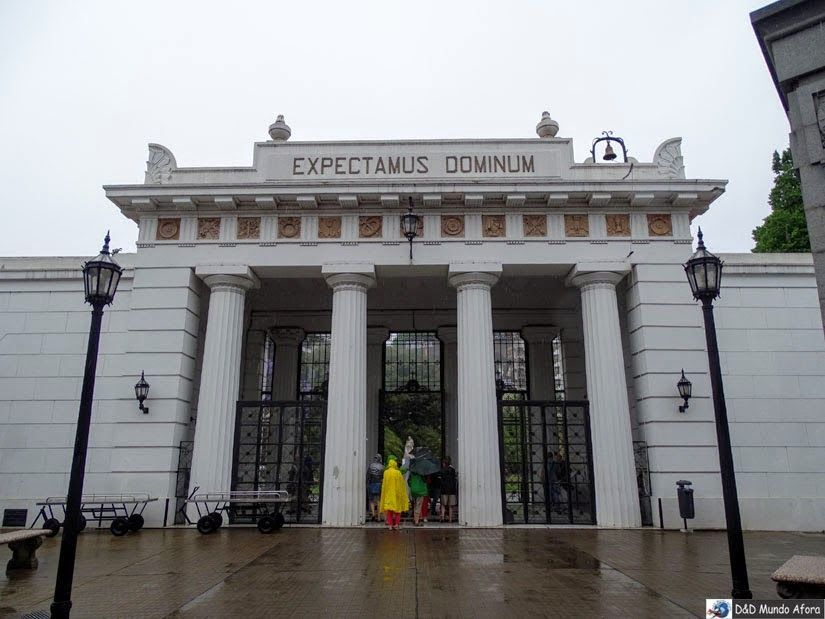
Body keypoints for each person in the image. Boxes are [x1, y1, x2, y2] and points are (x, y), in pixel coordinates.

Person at [379, 456, 409, 530]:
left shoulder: (386, 473)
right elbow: (401, 484)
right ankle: (396, 524)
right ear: (395, 464)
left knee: (389, 511)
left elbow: (384, 484)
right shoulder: (398, 473)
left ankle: (390, 525)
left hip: (388, 494)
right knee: (398, 511)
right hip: (397, 494)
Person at [366, 453, 384, 522]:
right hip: (379, 484)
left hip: (371, 484)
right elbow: (383, 477)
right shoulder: (382, 467)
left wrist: (367, 484)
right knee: (379, 500)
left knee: (371, 500)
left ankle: (373, 514)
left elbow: (367, 476)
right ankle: (379, 517)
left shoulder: (370, 466)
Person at [440, 456, 457, 523]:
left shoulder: (442, 470)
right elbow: (454, 479)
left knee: (443, 505)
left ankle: (443, 517)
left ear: (444, 463)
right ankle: (450, 519)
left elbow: (441, 480)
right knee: (450, 506)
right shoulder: (453, 470)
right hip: (452, 490)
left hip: (444, 490)